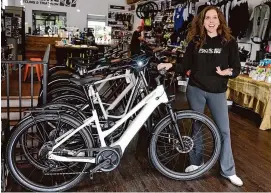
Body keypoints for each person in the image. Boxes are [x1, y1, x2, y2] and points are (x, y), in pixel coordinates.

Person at [158, 6, 243, 186]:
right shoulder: (195, 42)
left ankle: (228, 170)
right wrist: (170, 66)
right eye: (207, 18)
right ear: (202, 22)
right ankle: (196, 162)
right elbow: (185, 64)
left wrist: (229, 71)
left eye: (214, 18)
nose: (211, 21)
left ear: (220, 20)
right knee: (197, 126)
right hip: (196, 89)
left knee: (224, 131)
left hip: (218, 92)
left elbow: (236, 67)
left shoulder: (229, 42)